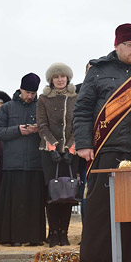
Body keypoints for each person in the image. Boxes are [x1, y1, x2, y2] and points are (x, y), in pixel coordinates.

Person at [74, 23, 131, 262]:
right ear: (116, 46)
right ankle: (97, 261)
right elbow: (82, 109)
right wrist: (83, 144)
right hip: (105, 147)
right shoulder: (98, 70)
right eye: (128, 44)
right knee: (100, 207)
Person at [0, 73, 46, 247]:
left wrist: (40, 130)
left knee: (34, 204)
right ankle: (11, 237)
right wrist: (17, 130)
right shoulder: (7, 107)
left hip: (36, 163)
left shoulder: (41, 107)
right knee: (13, 205)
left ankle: (34, 238)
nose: (30, 96)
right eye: (27, 92)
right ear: (20, 89)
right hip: (13, 164)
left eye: (33, 93)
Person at [37, 62, 78, 247]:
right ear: (51, 80)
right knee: (52, 193)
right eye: (56, 77)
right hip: (49, 153)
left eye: (62, 76)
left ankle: (64, 232)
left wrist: (70, 148)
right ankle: (53, 232)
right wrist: (53, 147)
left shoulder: (76, 98)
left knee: (68, 193)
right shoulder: (43, 99)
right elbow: (42, 125)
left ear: (68, 78)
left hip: (71, 152)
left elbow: (78, 124)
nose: (60, 80)